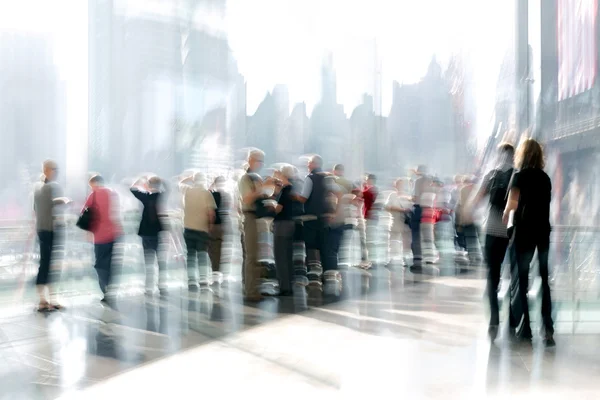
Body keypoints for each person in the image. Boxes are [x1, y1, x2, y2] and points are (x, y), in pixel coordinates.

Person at [503, 138, 555, 346]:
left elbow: (512, 205)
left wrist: (506, 215)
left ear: (521, 155)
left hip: (523, 232)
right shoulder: (545, 178)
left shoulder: (519, 177)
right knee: (544, 279)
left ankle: (525, 329)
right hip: (542, 232)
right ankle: (548, 330)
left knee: (521, 280)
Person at [471, 143, 515, 341]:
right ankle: (513, 318)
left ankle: (494, 320)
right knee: (513, 273)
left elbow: (477, 199)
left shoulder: (491, 175)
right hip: (510, 230)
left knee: (492, 275)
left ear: (499, 155)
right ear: (513, 156)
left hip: (491, 229)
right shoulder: (517, 175)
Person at [33, 160, 70, 311]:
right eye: (55, 169)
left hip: (43, 229)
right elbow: (54, 205)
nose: (57, 172)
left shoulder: (37, 187)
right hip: (51, 229)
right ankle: (47, 300)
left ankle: (47, 300)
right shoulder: (51, 187)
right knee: (50, 265)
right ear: (47, 170)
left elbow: (35, 209)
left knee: (47, 264)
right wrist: (64, 201)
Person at [296, 155, 336, 291]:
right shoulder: (327, 177)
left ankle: (313, 276)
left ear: (315, 164)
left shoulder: (310, 178)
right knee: (324, 247)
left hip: (311, 217)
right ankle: (328, 277)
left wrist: (292, 195)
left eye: (310, 162)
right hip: (324, 217)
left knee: (311, 247)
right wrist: (332, 211)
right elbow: (334, 194)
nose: (308, 165)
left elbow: (303, 197)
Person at [83, 174, 122, 303]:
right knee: (111, 263)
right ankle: (111, 288)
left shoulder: (93, 195)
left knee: (100, 264)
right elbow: (116, 213)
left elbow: (84, 213)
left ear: (94, 184)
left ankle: (105, 290)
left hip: (99, 236)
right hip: (113, 234)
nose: (91, 189)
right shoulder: (113, 193)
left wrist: (88, 231)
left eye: (91, 186)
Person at [238, 149, 270, 301]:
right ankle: (251, 291)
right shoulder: (246, 178)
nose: (261, 164)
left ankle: (250, 287)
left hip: (254, 218)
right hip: (249, 218)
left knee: (252, 255)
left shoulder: (253, 178)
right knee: (251, 256)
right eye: (259, 161)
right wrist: (262, 188)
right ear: (251, 160)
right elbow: (247, 199)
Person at [131, 175, 168, 296]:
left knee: (148, 262)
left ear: (148, 185)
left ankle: (148, 288)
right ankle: (162, 285)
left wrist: (140, 180)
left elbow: (132, 188)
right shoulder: (161, 195)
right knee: (160, 261)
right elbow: (169, 188)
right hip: (157, 231)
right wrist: (162, 181)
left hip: (146, 232)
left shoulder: (145, 197)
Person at [179, 172, 216, 291]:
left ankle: (191, 281)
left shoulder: (188, 191)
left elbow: (178, 183)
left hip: (188, 227)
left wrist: (189, 178)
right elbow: (211, 213)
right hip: (202, 228)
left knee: (190, 256)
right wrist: (211, 226)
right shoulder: (206, 193)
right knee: (202, 255)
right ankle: (203, 280)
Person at [273, 165, 297, 295]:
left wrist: (270, 209)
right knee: (288, 255)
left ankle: (284, 287)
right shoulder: (292, 188)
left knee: (280, 255)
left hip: (282, 224)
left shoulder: (286, 190)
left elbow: (279, 208)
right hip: (290, 224)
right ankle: (289, 284)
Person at [385, 178, 413, 267]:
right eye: (399, 184)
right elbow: (387, 207)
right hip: (396, 221)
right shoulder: (393, 195)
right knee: (394, 240)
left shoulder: (409, 196)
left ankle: (405, 259)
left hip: (406, 222)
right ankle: (393, 259)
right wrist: (402, 209)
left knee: (406, 242)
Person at [209, 176, 231, 278]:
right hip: (223, 225)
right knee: (220, 250)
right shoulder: (226, 195)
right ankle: (220, 271)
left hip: (214, 225)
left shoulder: (212, 195)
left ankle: (215, 271)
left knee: (213, 250)